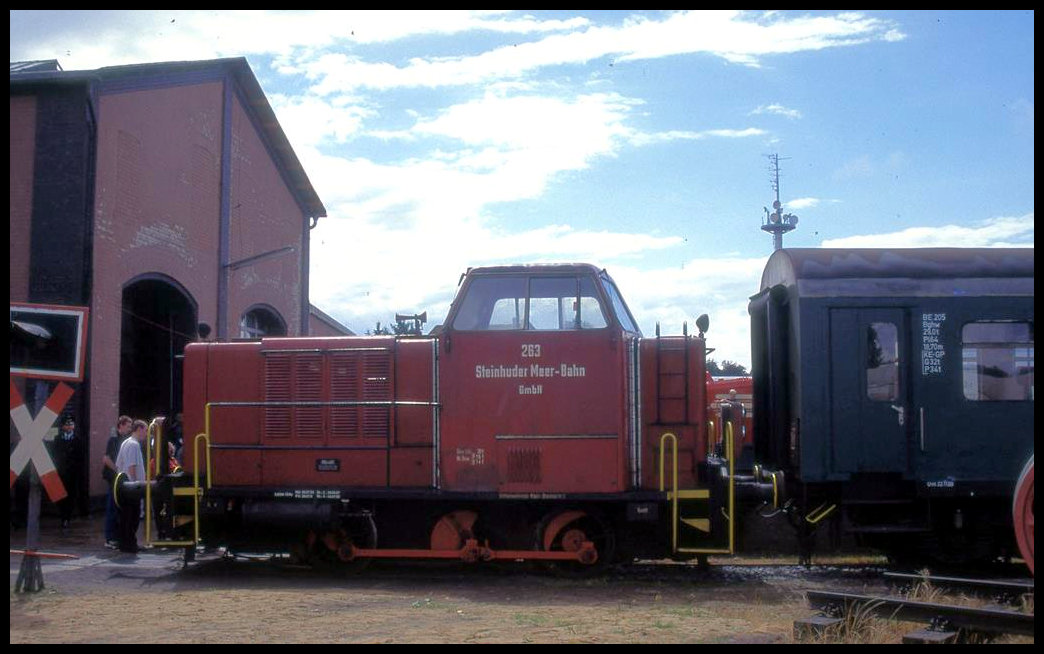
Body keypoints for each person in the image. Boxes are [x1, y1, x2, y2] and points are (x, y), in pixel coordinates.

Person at [114, 419, 147, 554]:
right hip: (132, 487)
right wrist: (134, 484)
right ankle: (130, 544)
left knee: (125, 516)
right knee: (133, 517)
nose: (146, 434)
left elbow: (118, 465)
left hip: (123, 486)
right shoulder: (134, 445)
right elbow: (132, 466)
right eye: (145, 430)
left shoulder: (125, 443)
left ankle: (124, 543)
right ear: (138, 429)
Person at [102, 416, 133, 548]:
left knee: (119, 507)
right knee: (112, 507)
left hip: (120, 478)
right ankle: (110, 538)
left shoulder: (126, 440)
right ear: (121, 425)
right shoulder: (114, 440)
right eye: (128, 426)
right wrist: (118, 470)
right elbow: (106, 458)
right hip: (114, 478)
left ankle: (118, 536)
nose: (130, 429)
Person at [50, 415, 81, 529]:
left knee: (71, 495)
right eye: (67, 424)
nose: (69, 426)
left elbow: (80, 457)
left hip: (72, 473)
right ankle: (62, 516)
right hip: (61, 473)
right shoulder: (58, 439)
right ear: (63, 426)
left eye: (71, 424)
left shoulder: (77, 440)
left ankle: (67, 517)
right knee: (60, 496)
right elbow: (54, 455)